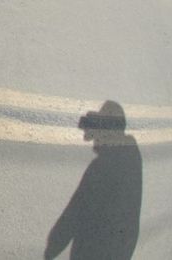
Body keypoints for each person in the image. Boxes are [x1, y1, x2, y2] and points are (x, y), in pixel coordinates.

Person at [45, 101, 142, 259]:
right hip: (121, 250)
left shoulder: (103, 166)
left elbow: (76, 209)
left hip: (93, 251)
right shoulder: (131, 157)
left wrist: (53, 246)